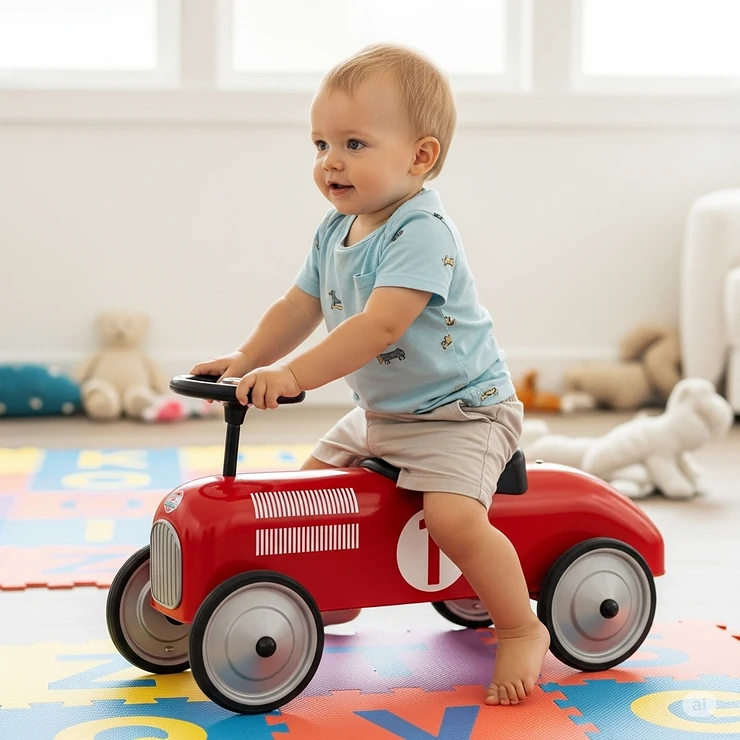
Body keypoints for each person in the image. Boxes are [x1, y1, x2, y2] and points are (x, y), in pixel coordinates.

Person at [191, 43, 550, 706]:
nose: (331, 161)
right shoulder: (336, 229)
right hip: (387, 412)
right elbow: (297, 305)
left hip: (462, 412)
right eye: (321, 143)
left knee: (453, 521)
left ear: (420, 156)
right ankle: (333, 594)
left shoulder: (423, 230)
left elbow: (379, 327)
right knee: (305, 496)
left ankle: (520, 624)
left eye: (354, 143)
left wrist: (294, 376)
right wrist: (248, 360)